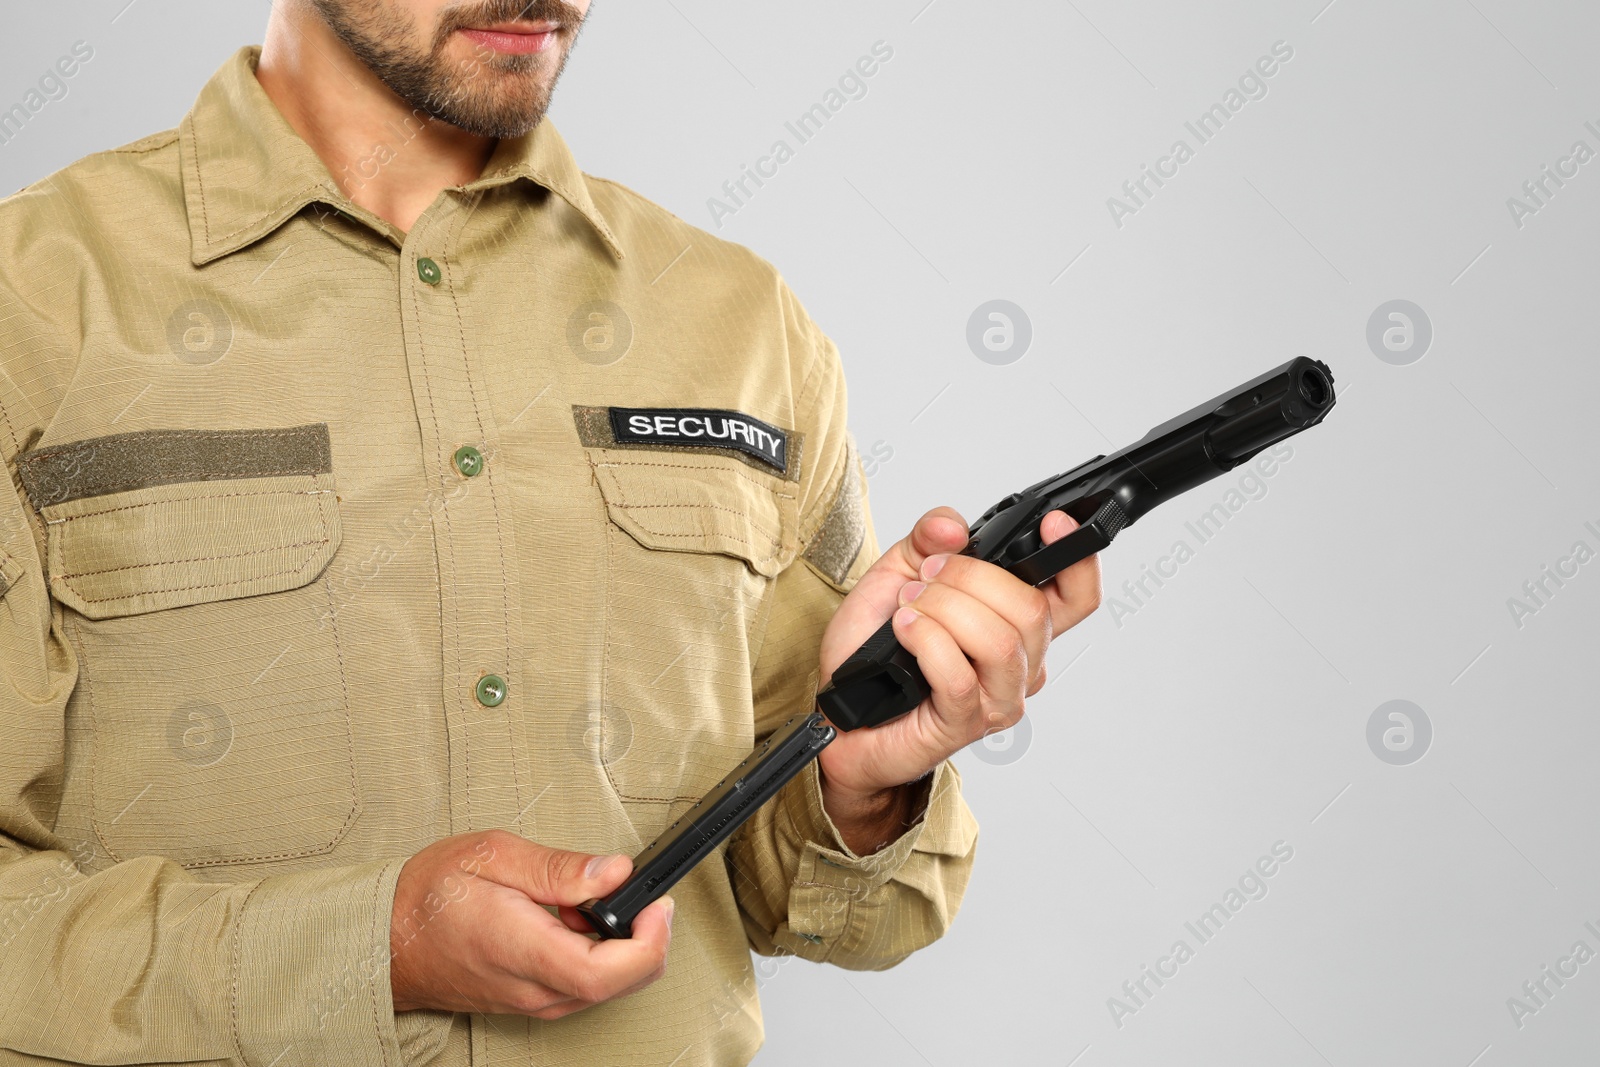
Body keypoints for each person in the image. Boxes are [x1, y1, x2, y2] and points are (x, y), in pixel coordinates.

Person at [0, 2, 1101, 1064]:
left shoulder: (740, 322)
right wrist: (367, 949)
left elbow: (831, 910)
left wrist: (859, 787)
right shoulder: (28, 306)